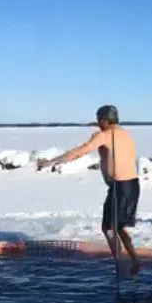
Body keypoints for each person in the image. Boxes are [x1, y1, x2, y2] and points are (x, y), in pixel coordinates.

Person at [37, 105, 141, 276]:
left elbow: (80, 151)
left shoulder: (105, 135)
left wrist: (52, 162)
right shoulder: (125, 134)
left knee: (108, 227)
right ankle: (134, 262)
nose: (98, 124)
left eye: (99, 120)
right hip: (132, 185)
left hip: (120, 187)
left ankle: (121, 267)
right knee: (119, 226)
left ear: (104, 120)